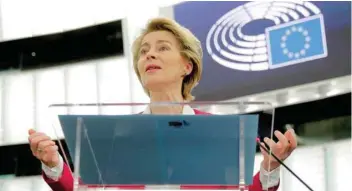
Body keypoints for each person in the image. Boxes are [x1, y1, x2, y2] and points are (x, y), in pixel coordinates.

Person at [28, 17, 297, 191]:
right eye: (144, 51)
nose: (150, 54)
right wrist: (54, 164)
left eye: (162, 47)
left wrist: (270, 168)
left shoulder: (217, 131)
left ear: (187, 65)